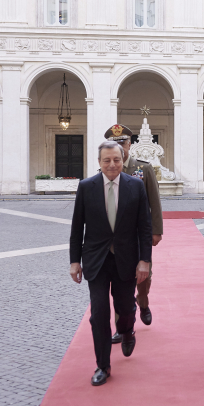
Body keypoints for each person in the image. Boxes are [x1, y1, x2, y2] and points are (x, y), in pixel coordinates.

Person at [69, 141, 153, 386]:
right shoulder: (86, 187)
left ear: (122, 158)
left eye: (116, 159)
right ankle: (102, 365)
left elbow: (144, 228)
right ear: (99, 162)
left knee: (125, 308)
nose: (112, 165)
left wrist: (144, 261)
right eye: (107, 160)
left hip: (127, 260)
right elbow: (77, 228)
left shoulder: (136, 186)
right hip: (96, 260)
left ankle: (127, 330)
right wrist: (75, 261)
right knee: (99, 313)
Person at [104, 124, 163, 345]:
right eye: (115, 143)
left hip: (140, 234)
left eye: (123, 143)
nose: (120, 147)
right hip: (116, 236)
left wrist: (156, 230)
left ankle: (144, 301)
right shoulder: (107, 169)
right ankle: (122, 326)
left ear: (130, 145)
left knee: (143, 278)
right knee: (120, 282)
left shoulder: (143, 169)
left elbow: (154, 201)